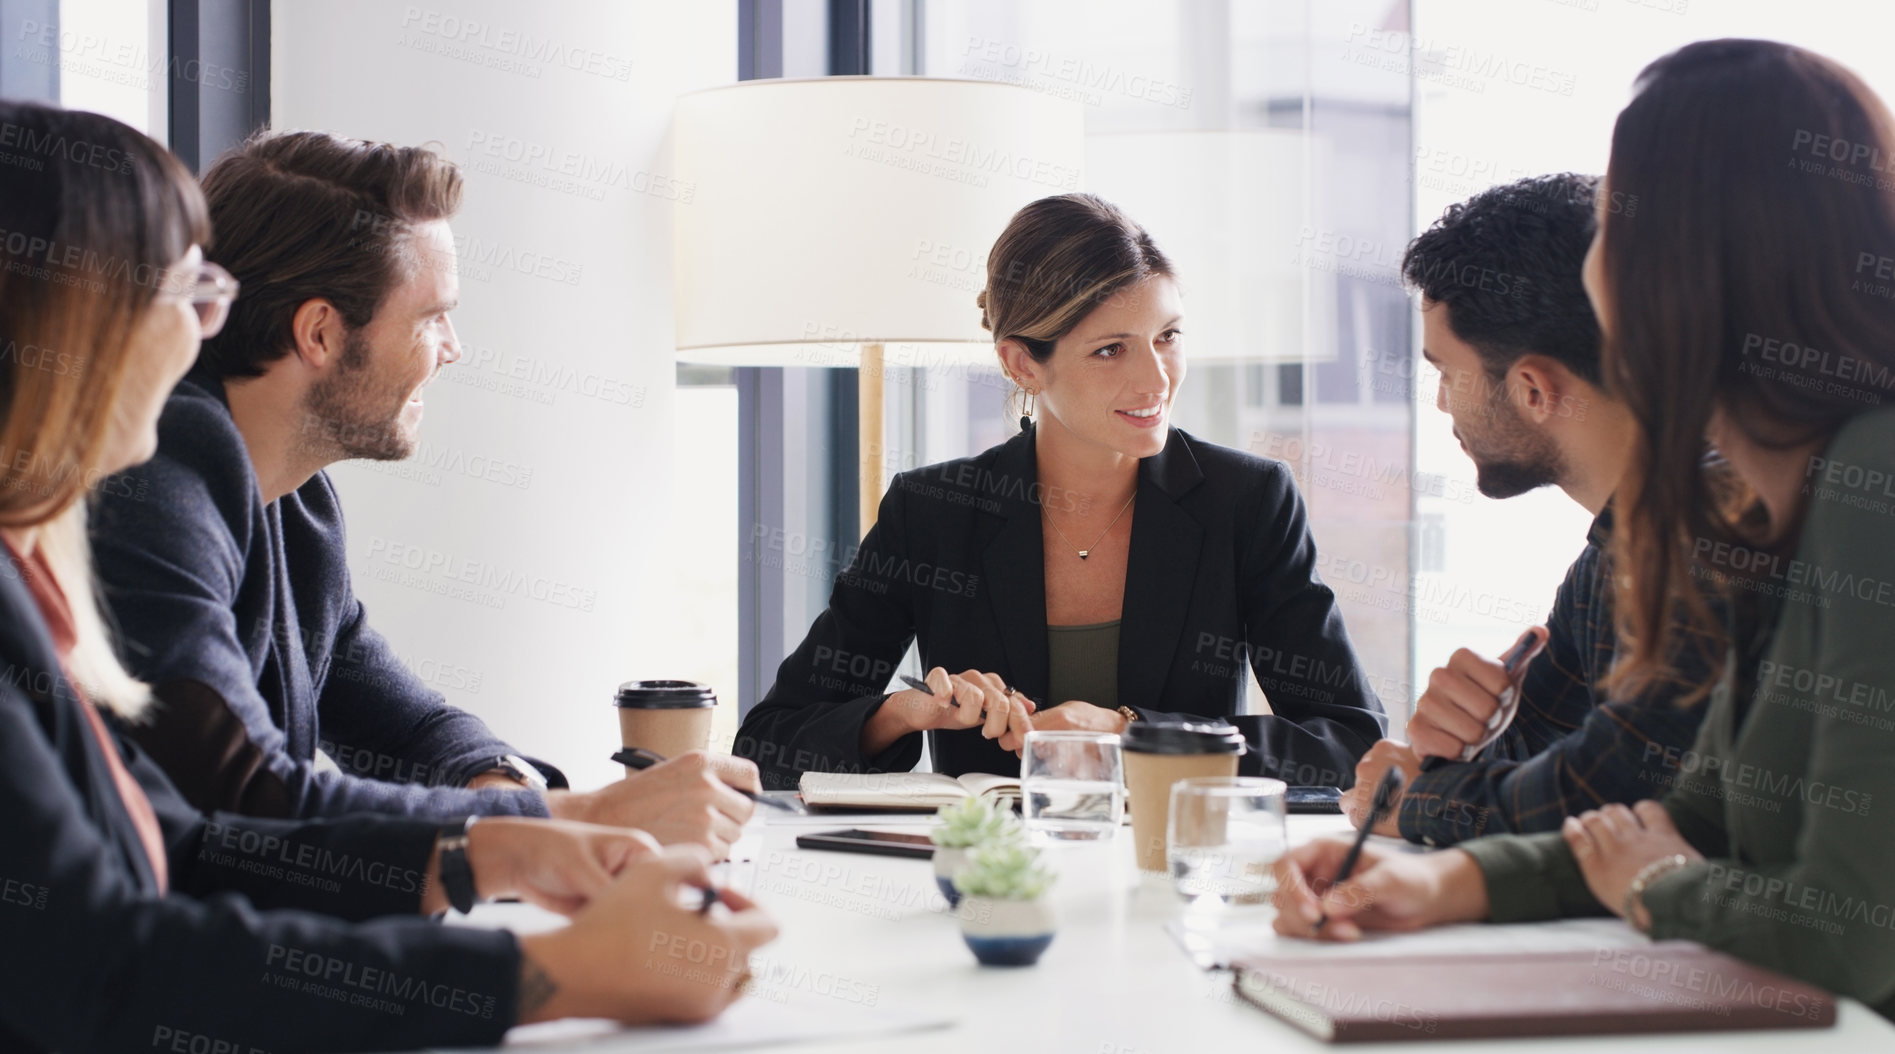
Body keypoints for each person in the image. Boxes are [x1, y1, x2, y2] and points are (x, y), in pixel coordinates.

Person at [0, 101, 776, 1053]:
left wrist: (507, 836)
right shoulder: (168, 467)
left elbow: (214, 832)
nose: (204, 327)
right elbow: (147, 921)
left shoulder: (286, 497)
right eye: (183, 292)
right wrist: (559, 941)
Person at [1272, 40, 1895, 1020]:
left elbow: (1847, 928)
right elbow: (1687, 814)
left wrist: (1653, 885)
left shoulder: (1869, 475)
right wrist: (1442, 886)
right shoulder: (1780, 505)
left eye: (1610, 216)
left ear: (1682, 263)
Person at [89, 129, 757, 856]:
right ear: (319, 332)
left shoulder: (295, 500)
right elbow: (250, 792)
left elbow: (396, 721)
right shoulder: (158, 480)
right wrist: (576, 820)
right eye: (432, 315)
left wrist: (494, 778)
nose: (453, 347)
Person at [736, 193, 1386, 787]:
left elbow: (1349, 744)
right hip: (989, 880)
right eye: (1111, 350)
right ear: (1022, 362)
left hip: (1166, 874)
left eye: (1167, 337)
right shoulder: (933, 511)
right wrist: (906, 714)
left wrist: (1133, 734)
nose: (1155, 378)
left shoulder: (1244, 501)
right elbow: (768, 743)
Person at [1344, 173, 1710, 846]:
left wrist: (1424, 800)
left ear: (1533, 390)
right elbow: (1548, 759)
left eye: (1446, 372)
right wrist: (1468, 746)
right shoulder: (1609, 554)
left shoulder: (1705, 533)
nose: (1441, 404)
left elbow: (1618, 794)